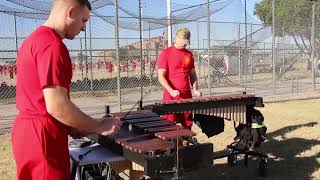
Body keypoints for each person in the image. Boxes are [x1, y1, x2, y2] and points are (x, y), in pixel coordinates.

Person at [12, 1, 122, 180]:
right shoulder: (53, 46)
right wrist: (99, 126)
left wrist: (73, 126)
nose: (84, 28)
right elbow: (56, 105)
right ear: (71, 12)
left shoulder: (32, 40)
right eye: (83, 20)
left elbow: (39, 98)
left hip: (28, 132)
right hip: (44, 136)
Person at [157, 27, 202, 129]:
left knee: (187, 125)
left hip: (186, 95)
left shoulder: (189, 54)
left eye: (187, 41)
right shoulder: (166, 53)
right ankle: (171, 144)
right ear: (177, 38)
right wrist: (171, 90)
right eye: (184, 41)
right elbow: (160, 76)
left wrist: (195, 89)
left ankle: (186, 143)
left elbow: (193, 74)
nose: (186, 44)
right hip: (171, 97)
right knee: (168, 126)